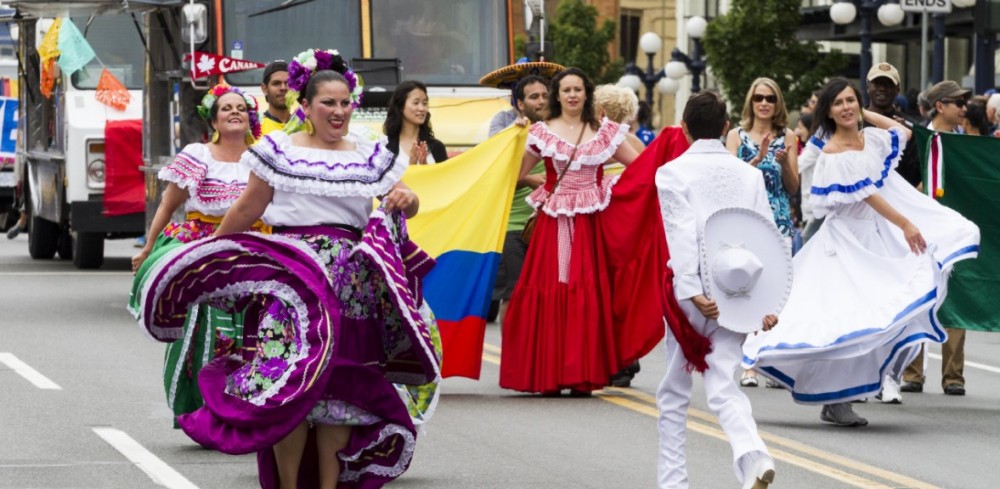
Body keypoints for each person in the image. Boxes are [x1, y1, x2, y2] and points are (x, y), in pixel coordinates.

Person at [136, 49, 437, 489]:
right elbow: (248, 208)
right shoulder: (278, 150)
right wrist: (210, 253)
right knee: (287, 383)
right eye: (328, 103)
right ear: (307, 108)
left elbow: (406, 196)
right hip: (292, 281)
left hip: (350, 281)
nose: (338, 111)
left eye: (345, 102)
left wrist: (407, 200)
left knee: (342, 389)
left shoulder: (370, 153)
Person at [743, 78, 980, 427]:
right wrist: (906, 224)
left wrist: (861, 111)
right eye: (838, 103)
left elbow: (907, 134)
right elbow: (868, 193)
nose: (846, 107)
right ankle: (835, 399)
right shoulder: (834, 152)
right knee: (844, 319)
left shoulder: (870, 139)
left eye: (850, 100)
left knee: (870, 319)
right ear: (828, 112)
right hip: (845, 244)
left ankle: (843, 397)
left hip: (872, 239)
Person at [500, 67, 656, 396]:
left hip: (590, 225)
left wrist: (617, 189)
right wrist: (514, 139)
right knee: (552, 289)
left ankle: (582, 374)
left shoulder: (604, 132)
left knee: (586, 290)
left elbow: (641, 168)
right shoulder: (540, 132)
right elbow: (514, 175)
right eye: (566, 90)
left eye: (578, 90)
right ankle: (549, 374)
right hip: (553, 222)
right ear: (557, 95)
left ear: (587, 95)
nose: (572, 95)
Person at [655, 90, 781, 489]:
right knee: (724, 385)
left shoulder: (672, 172)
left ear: (685, 129)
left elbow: (680, 234)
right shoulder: (750, 174)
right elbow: (769, 239)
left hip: (694, 296)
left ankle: (674, 483)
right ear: (727, 127)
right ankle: (754, 455)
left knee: (674, 391)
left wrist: (691, 291)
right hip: (739, 294)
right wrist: (771, 303)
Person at [128, 84, 264, 427]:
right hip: (203, 250)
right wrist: (148, 247)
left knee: (254, 331)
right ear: (214, 120)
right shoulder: (198, 155)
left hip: (253, 251)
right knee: (202, 331)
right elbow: (168, 204)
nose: (234, 112)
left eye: (240, 108)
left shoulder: (264, 158)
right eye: (226, 108)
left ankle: (248, 408)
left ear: (250, 119)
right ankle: (202, 410)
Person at [900, 80, 973, 397]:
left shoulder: (969, 143)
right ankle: (913, 372)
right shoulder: (919, 141)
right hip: (922, 230)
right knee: (920, 294)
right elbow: (901, 183)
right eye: (958, 102)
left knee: (957, 297)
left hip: (955, 229)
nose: (963, 108)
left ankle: (953, 376)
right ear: (940, 106)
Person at [726, 77, 798, 388]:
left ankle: (772, 361)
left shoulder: (788, 136)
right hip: (747, 219)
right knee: (749, 289)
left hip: (778, 219)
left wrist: (783, 164)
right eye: (758, 98)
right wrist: (756, 158)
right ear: (751, 102)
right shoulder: (735, 136)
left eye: (770, 98)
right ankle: (749, 362)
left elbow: (793, 187)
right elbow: (730, 179)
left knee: (776, 291)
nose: (764, 103)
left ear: (777, 102)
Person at [490, 74, 550, 325]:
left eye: (545, 95)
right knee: (513, 297)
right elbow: (494, 179)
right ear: (520, 104)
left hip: (549, 224)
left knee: (547, 297)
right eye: (534, 97)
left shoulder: (558, 131)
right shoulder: (509, 135)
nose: (541, 101)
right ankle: (511, 360)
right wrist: (528, 179)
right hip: (515, 227)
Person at [865, 63, 923, 187]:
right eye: (877, 83)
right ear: (867, 86)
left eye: (888, 84)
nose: (882, 88)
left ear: (897, 90)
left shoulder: (909, 126)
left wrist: (904, 141)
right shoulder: (854, 122)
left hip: (897, 197)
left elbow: (916, 175)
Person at [383, 80, 448, 165]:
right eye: (416, 103)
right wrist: (412, 168)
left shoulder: (437, 147)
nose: (422, 108)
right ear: (400, 106)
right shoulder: (385, 147)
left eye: (425, 103)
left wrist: (425, 168)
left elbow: (445, 177)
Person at [259, 61, 290, 135]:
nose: (283, 88)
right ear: (264, 89)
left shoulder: (305, 125)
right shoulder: (255, 127)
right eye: (276, 83)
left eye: (288, 83)